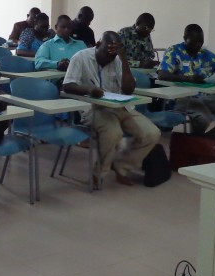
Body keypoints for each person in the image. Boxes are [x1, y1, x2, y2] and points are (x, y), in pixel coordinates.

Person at [62, 32, 161, 186]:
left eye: (113, 55)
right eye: (106, 53)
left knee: (152, 133)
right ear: (97, 45)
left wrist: (123, 59)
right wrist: (89, 90)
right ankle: (100, 172)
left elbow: (128, 89)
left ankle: (122, 165)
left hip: (120, 107)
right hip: (94, 109)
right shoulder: (80, 58)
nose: (109, 58)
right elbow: (67, 85)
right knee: (113, 133)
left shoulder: (117, 59)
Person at [158, 24, 215, 140]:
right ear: (185, 39)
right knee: (203, 118)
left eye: (201, 41)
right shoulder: (174, 51)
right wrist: (188, 78)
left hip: (206, 97)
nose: (198, 45)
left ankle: (205, 143)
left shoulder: (206, 54)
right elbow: (162, 74)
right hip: (181, 98)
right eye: (195, 42)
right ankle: (200, 146)